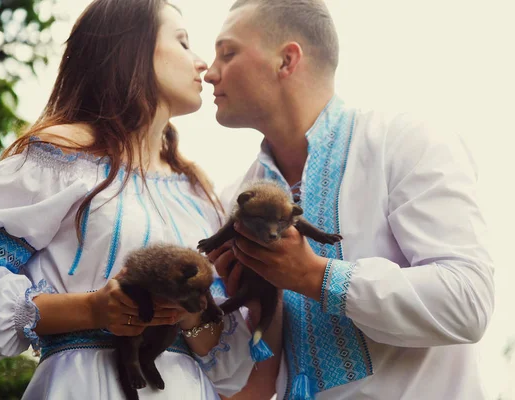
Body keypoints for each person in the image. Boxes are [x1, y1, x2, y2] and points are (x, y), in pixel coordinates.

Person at [204, 0, 496, 399]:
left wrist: (316, 276)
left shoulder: (405, 141)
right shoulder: (230, 198)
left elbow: (468, 301)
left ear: (287, 60)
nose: (209, 72)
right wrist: (252, 309)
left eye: (228, 53)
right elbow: (246, 378)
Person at [0, 0, 257, 398]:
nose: (202, 62)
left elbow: (229, 366)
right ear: (130, 46)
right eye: (183, 42)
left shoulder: (197, 191)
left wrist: (189, 313)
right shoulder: (58, 157)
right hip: (83, 385)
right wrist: (92, 310)